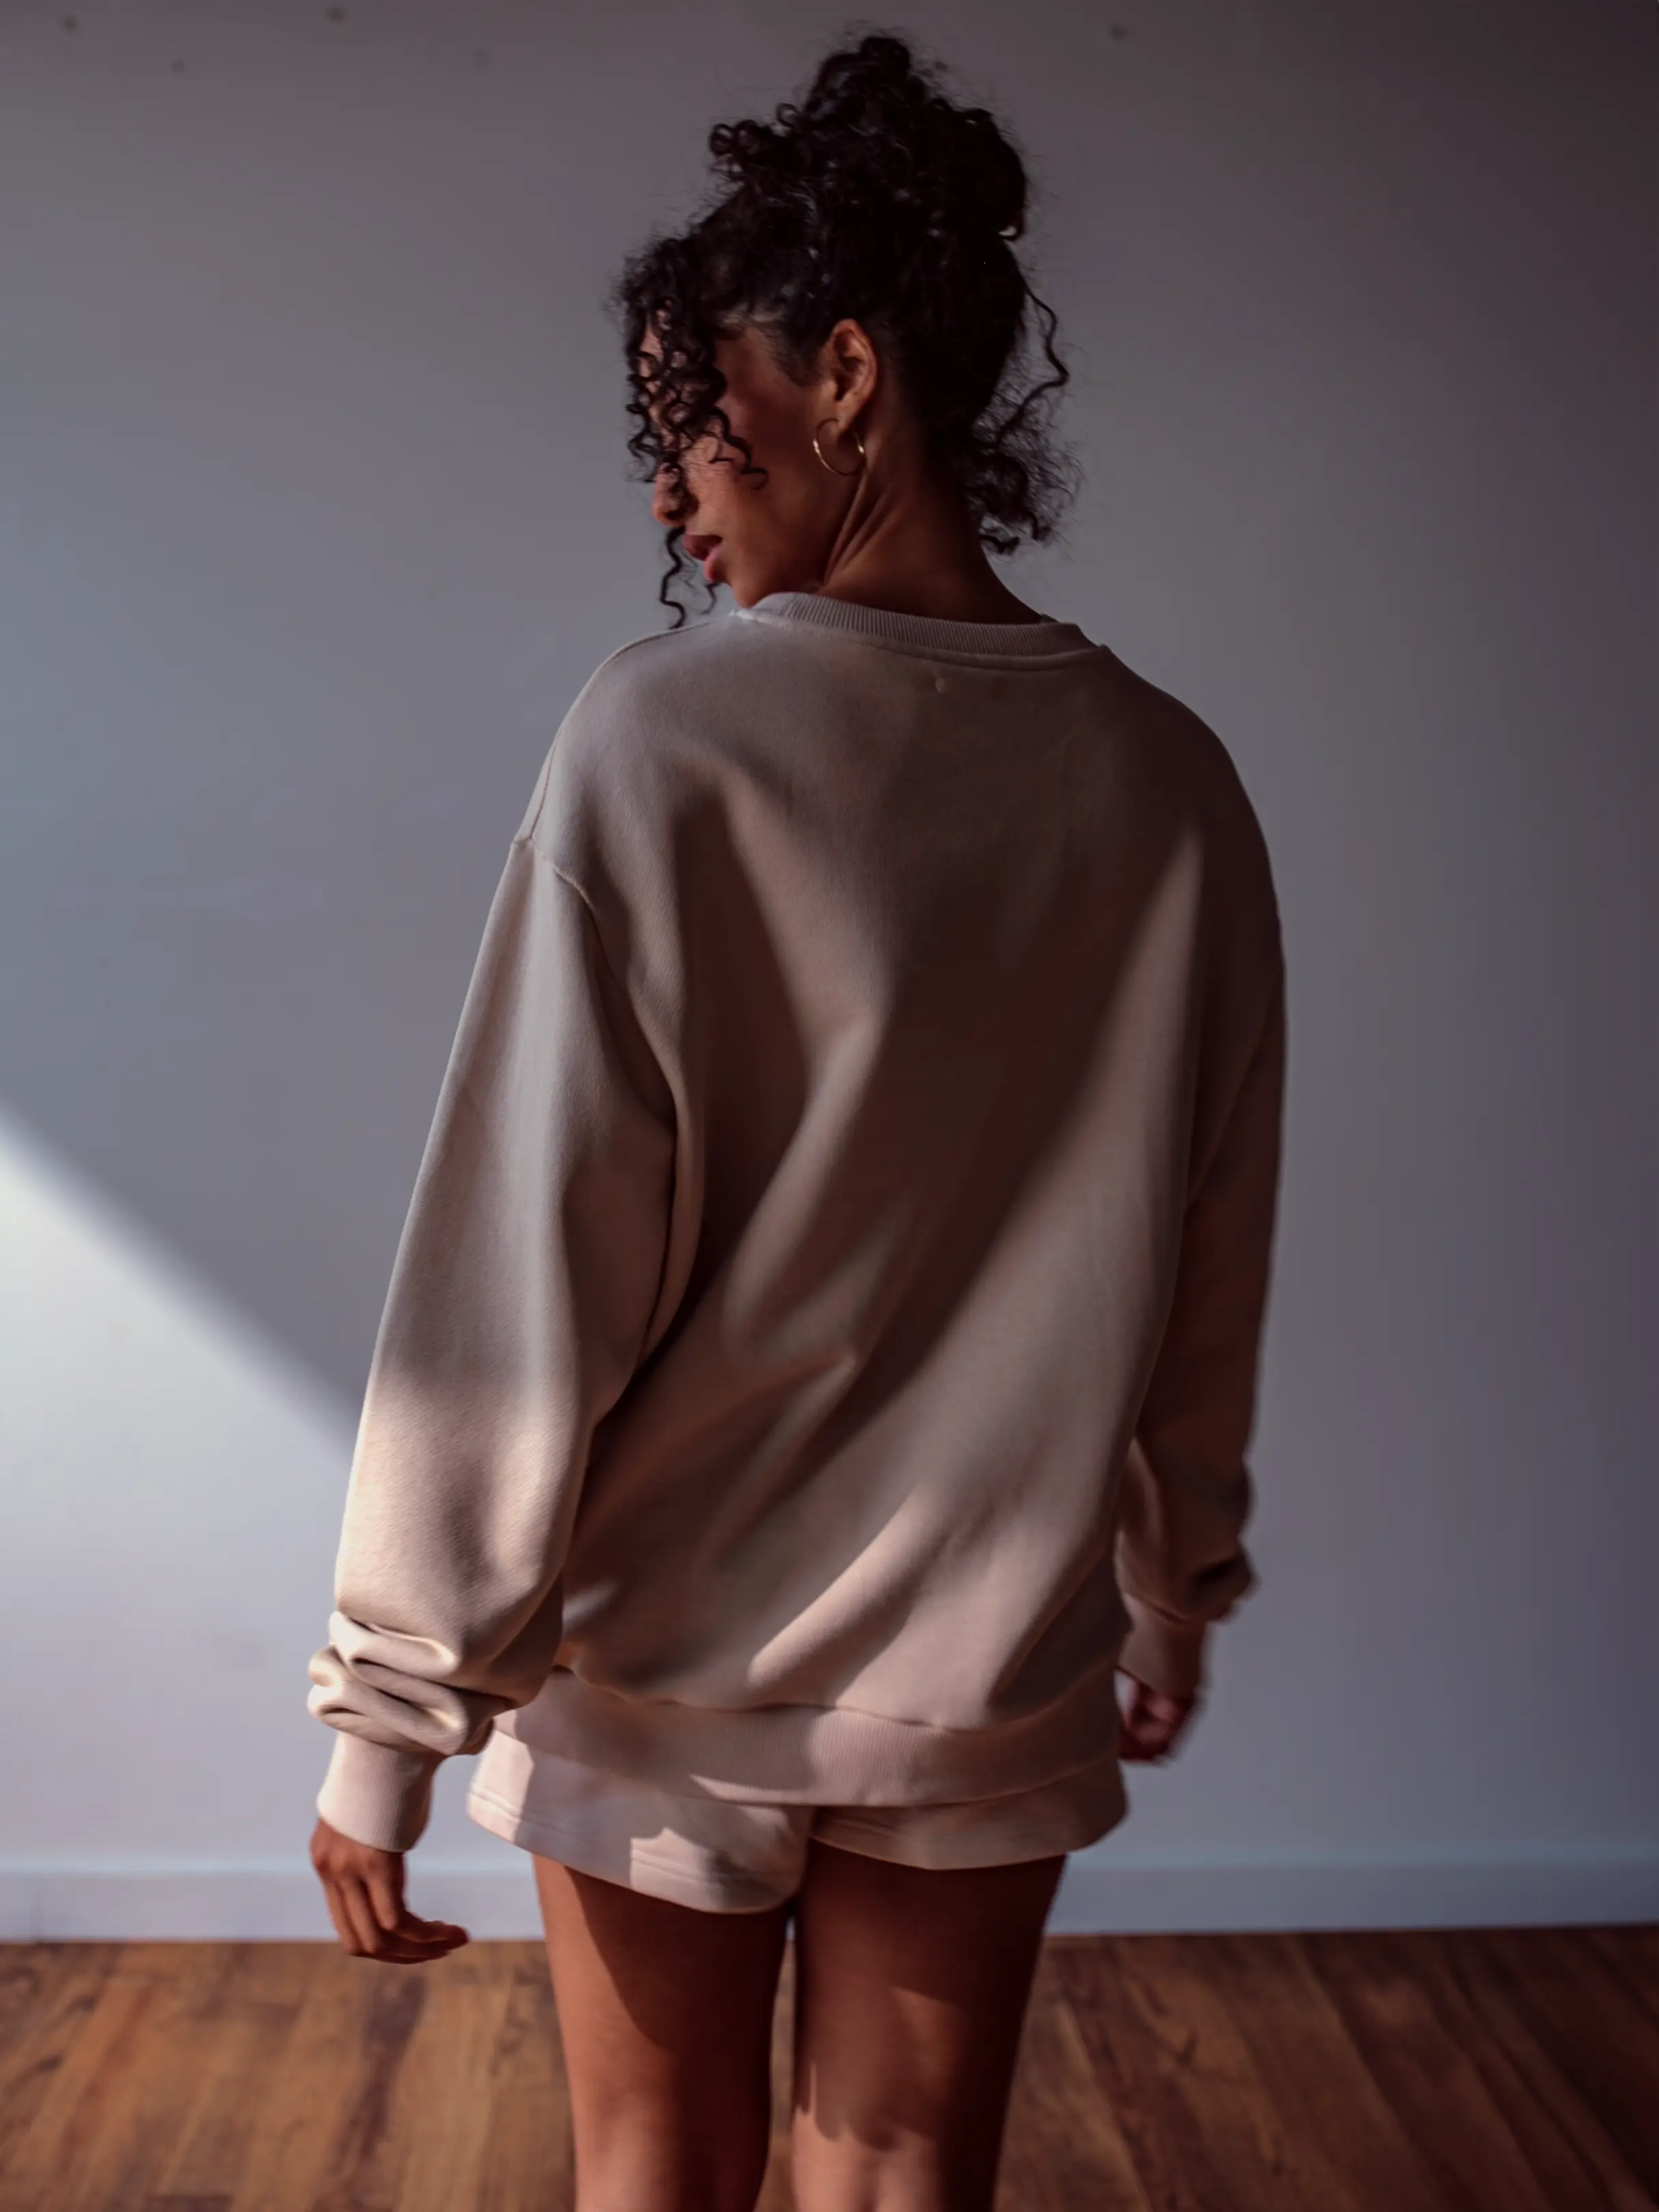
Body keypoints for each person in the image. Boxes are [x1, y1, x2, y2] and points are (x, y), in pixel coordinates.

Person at [306, 30, 1286, 2212]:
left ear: (847, 372)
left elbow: (519, 1263)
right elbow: (1214, 1248)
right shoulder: (1174, 786)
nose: (674, 488)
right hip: (990, 1666)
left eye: (695, 421)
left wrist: (390, 1719)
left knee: (655, 2171)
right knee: (902, 2176)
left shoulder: (665, 745)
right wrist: (1172, 1583)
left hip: (666, 1662)